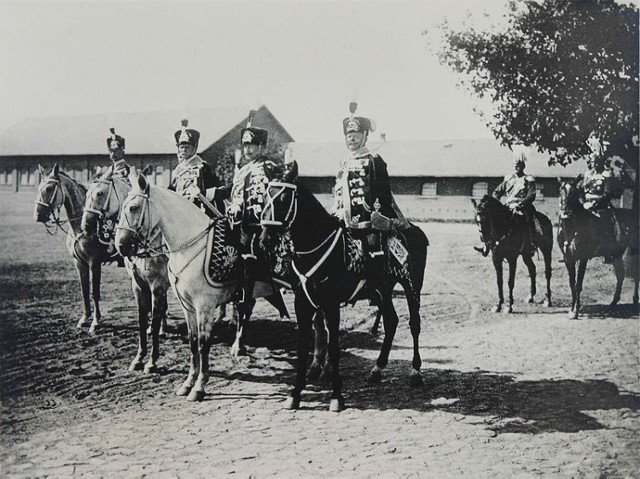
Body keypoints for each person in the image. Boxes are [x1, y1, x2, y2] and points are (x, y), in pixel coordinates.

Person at [331, 102, 409, 284]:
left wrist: (380, 217)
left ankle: (379, 287)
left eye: (355, 135)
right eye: (348, 135)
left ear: (365, 136)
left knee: (374, 247)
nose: (351, 139)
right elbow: (339, 191)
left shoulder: (373, 160)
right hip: (343, 218)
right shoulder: (343, 162)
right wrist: (336, 210)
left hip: (369, 220)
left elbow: (383, 192)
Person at [228, 111, 288, 310]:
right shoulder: (243, 170)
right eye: (245, 145)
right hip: (243, 224)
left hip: (263, 226)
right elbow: (236, 194)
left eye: (252, 145)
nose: (248, 150)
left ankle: (251, 292)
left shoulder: (270, 168)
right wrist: (235, 206)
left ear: (261, 146)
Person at [475, 146, 537, 256]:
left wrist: (521, 204)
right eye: (515, 165)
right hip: (508, 205)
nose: (517, 167)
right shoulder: (509, 179)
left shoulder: (529, 179)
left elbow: (531, 195)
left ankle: (530, 244)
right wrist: (496, 204)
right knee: (493, 221)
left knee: (528, 220)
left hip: (523, 206)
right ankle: (487, 244)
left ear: (523, 166)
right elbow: (497, 192)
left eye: (519, 165)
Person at [169, 119, 229, 218]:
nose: (183, 150)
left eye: (187, 147)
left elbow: (221, 191)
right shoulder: (177, 171)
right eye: (181, 147)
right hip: (180, 213)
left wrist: (202, 194)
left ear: (194, 148)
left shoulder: (202, 168)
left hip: (200, 214)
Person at [579, 135, 623, 261]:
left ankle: (608, 250)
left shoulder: (606, 174)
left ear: (601, 161)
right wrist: (583, 203)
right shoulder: (587, 175)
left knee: (606, 225)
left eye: (596, 161)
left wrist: (595, 205)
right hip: (586, 205)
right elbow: (581, 192)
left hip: (601, 206)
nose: (594, 164)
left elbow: (607, 194)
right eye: (592, 162)